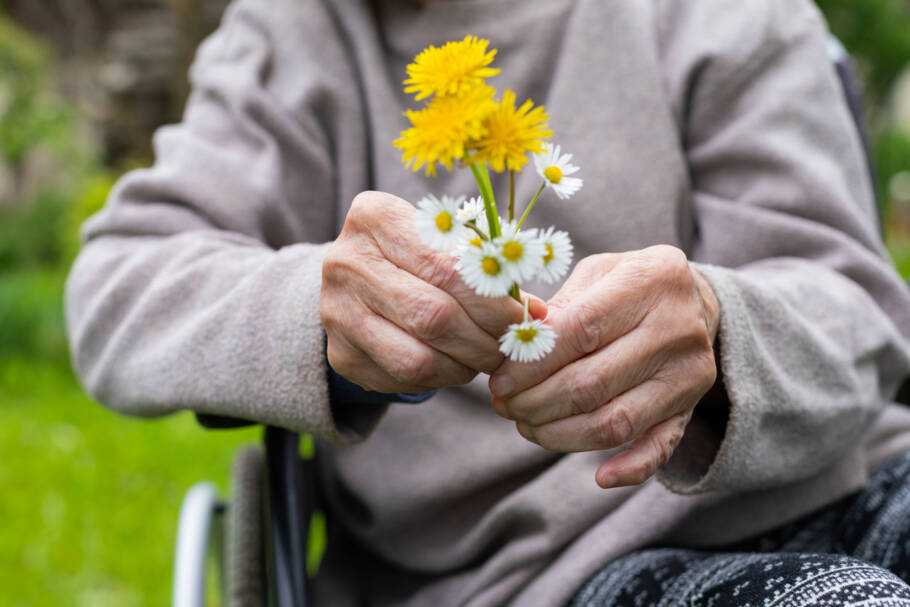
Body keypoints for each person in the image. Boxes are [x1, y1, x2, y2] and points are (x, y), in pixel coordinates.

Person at [64, 0, 910, 604]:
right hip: (541, 572)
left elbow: (860, 312)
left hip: (852, 471)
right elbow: (119, 286)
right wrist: (317, 313)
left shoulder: (724, 17)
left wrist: (722, 333)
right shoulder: (294, 34)